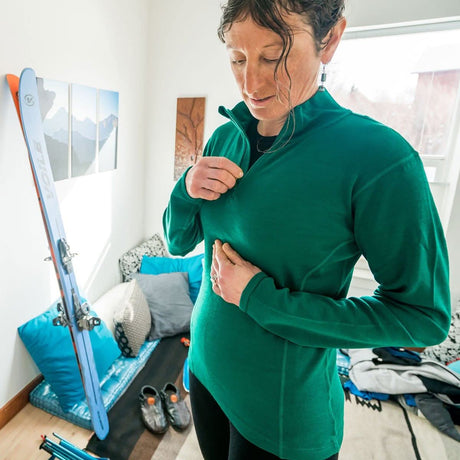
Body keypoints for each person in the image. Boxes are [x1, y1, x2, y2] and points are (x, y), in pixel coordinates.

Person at [163, 1, 451, 459]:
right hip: (204, 372)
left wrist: (258, 297)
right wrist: (185, 189)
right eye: (237, 58)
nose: (251, 84)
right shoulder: (225, 137)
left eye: (274, 56)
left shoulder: (378, 159)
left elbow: (422, 317)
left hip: (281, 416)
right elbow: (178, 241)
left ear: (329, 40)